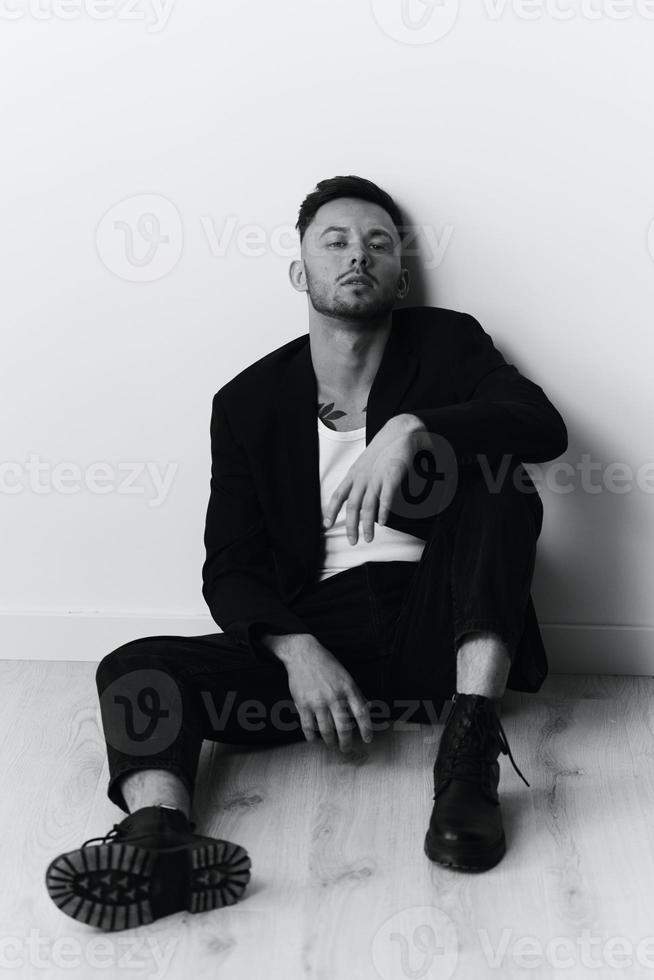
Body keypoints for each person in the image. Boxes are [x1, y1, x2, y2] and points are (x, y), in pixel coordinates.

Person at [45, 175, 567, 931]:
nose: (359, 254)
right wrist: (295, 649)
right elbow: (229, 564)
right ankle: (160, 839)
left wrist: (415, 425)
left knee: (499, 478)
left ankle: (467, 757)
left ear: (401, 275)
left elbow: (540, 426)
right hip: (327, 651)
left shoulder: (448, 342)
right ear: (301, 272)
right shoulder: (249, 402)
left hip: (440, 626)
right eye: (336, 241)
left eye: (379, 243)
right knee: (134, 666)